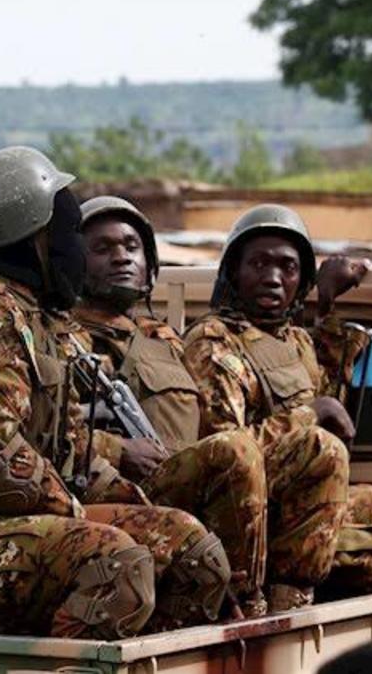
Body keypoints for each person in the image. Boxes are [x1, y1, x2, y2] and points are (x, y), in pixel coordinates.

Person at [0, 147, 230, 639]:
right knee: (115, 563)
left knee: (193, 552)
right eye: (66, 233)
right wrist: (83, 517)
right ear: (33, 238)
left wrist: (146, 505)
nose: (73, 247)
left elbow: (72, 452)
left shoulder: (38, 319)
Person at [183, 204, 372, 611]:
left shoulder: (294, 340)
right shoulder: (213, 342)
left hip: (304, 504)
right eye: (259, 263)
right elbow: (226, 455)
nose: (272, 277)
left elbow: (331, 407)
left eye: (287, 267)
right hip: (251, 516)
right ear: (234, 271)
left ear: (301, 278)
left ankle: (320, 559)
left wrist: (326, 304)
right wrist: (309, 415)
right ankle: (289, 593)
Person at [72, 196, 268, 616]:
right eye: (102, 249)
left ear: (149, 263)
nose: (121, 257)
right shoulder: (67, 341)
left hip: (186, 487)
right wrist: (117, 449)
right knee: (234, 449)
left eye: (131, 246)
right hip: (124, 494)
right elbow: (45, 433)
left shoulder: (164, 340)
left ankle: (245, 591)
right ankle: (239, 597)